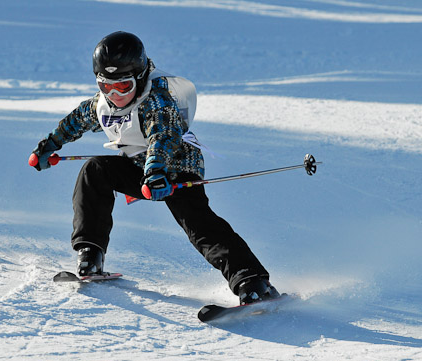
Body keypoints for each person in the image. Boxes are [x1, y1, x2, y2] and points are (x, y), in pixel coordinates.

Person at [30, 31, 280, 305]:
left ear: (138, 77)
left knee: (198, 224)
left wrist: (155, 172)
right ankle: (90, 254)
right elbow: (78, 119)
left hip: (175, 168)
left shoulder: (157, 101)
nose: (115, 95)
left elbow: (163, 137)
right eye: (106, 87)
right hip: (142, 170)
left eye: (123, 87)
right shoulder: (104, 103)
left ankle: (252, 281)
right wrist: (50, 144)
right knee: (95, 170)